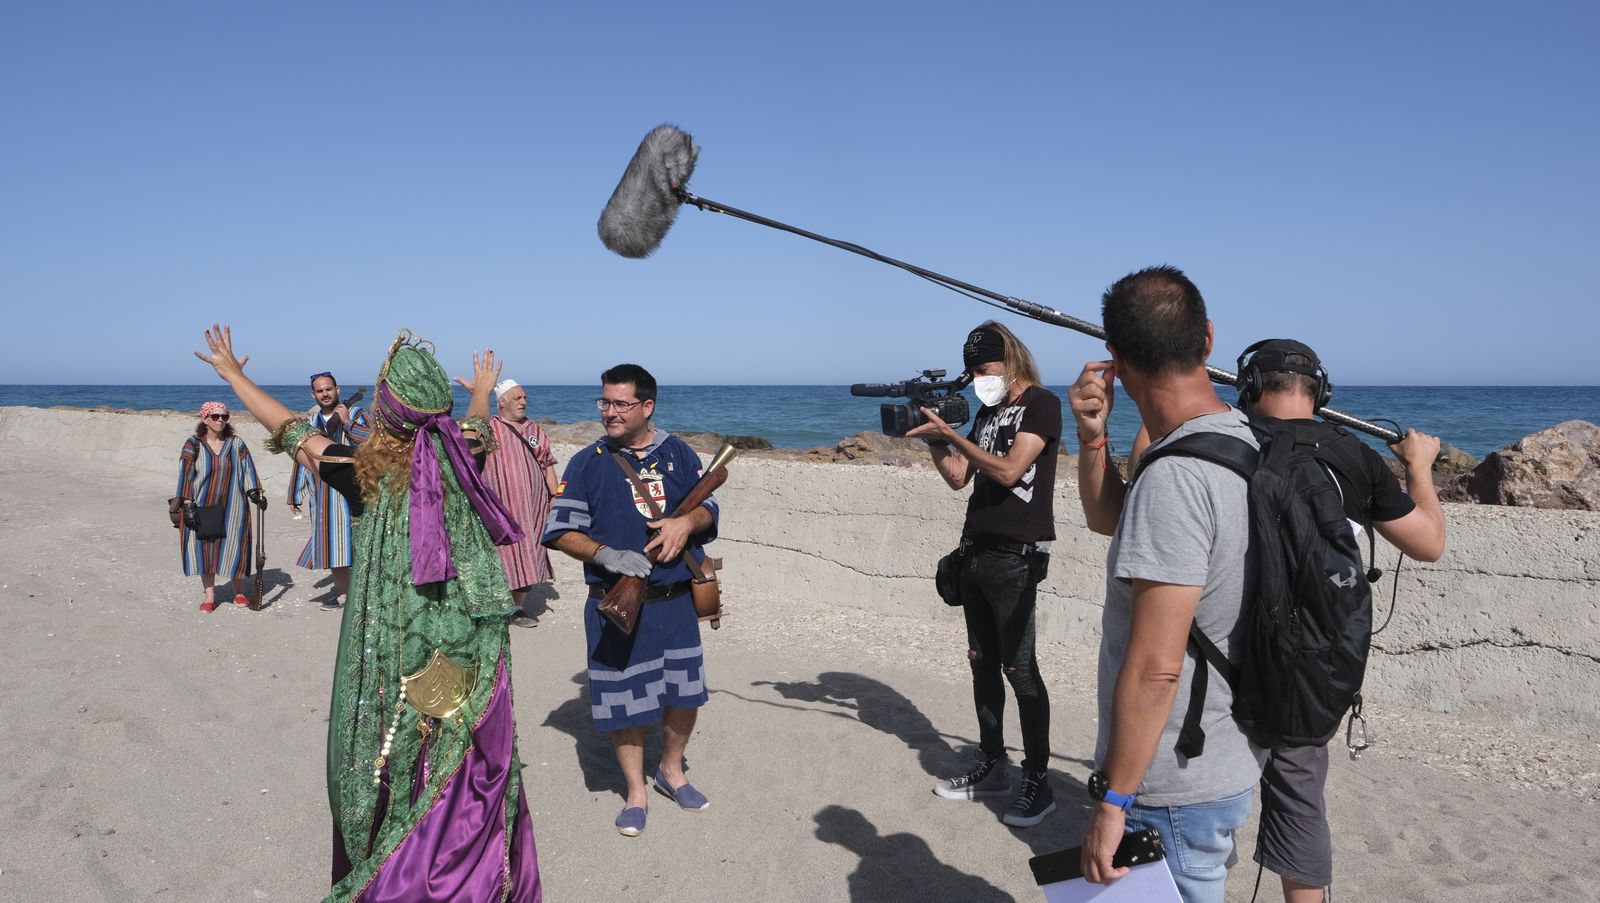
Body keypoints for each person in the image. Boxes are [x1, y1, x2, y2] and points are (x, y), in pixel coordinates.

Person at [194, 325, 541, 902]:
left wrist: (234, 377)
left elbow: (291, 431)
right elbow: (476, 425)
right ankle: (473, 871)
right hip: (467, 648)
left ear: (386, 412)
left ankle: (404, 869)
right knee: (462, 750)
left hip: (398, 652)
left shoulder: (364, 472)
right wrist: (480, 389)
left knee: (398, 750)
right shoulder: (464, 452)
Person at [1069, 266, 1264, 902]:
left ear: (1116, 361)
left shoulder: (1176, 478)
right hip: (1228, 752)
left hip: (1174, 777)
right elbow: (1108, 519)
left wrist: (1113, 799)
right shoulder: (1239, 439)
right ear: (1208, 338)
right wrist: (1093, 437)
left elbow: (1157, 667)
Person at [1234, 339, 1446, 903]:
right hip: (1311, 658)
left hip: (1224, 650)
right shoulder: (1352, 454)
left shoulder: (1225, 439)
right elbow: (1429, 543)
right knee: (1300, 798)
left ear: (1249, 387)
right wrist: (1418, 468)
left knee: (1204, 799)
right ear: (1320, 392)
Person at [542, 364, 716, 838]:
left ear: (647, 406)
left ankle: (672, 771)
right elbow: (558, 531)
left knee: (684, 695)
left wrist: (687, 523)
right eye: (604, 403)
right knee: (624, 702)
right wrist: (606, 554)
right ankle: (636, 792)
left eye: (620, 404)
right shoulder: (587, 462)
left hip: (676, 602)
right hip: (616, 606)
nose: (610, 413)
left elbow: (709, 509)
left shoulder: (678, 453)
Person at [905, 321, 1062, 828]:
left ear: (1010, 360)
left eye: (984, 368)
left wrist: (954, 434)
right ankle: (992, 764)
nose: (977, 378)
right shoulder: (989, 412)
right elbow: (958, 478)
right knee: (981, 661)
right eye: (971, 370)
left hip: (1015, 556)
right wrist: (935, 440)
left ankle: (1038, 780)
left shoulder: (1042, 404)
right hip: (974, 551)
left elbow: (1011, 470)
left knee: (1020, 670)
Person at [287, 371, 371, 610]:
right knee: (333, 544)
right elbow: (302, 457)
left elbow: (374, 443)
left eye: (328, 389)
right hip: (323, 493)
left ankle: (366, 594)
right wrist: (295, 493)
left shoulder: (356, 413)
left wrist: (347, 423)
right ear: (313, 394)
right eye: (320, 390)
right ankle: (344, 595)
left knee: (359, 542)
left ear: (338, 389)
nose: (325, 394)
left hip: (354, 491)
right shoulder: (310, 424)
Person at [482, 379, 560, 628]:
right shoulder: (488, 429)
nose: (524, 402)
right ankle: (494, 608)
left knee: (529, 554)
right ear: (501, 402)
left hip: (533, 509)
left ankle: (518, 608)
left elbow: (547, 465)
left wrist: (554, 497)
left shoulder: (534, 430)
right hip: (501, 511)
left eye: (525, 397)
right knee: (501, 556)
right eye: (517, 398)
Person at [176, 401, 266, 612]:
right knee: (203, 549)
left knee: (235, 546)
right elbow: (185, 475)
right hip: (202, 505)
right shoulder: (193, 444)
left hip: (233, 506)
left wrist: (255, 492)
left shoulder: (236, 444)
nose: (220, 420)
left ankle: (239, 592)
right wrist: (187, 503)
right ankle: (210, 596)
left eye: (224, 417)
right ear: (205, 419)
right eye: (215, 416)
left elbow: (248, 470)